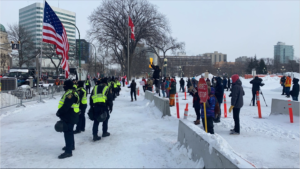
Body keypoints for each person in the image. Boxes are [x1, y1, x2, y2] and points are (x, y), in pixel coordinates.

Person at [56, 80, 80, 159]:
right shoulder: (70, 92)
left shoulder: (71, 93)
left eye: (64, 85)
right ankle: (71, 146)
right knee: (70, 132)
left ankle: (68, 151)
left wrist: (59, 112)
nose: (63, 86)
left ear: (67, 86)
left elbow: (66, 105)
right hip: (70, 114)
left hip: (70, 115)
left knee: (68, 132)